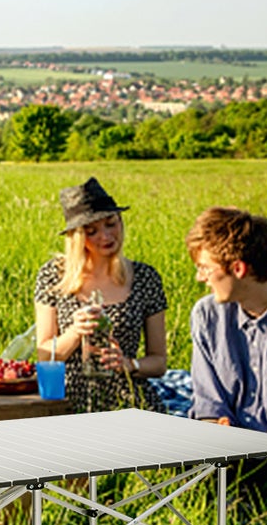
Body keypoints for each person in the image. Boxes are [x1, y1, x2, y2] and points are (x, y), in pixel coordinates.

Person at [33, 177, 167, 413]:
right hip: (69, 397)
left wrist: (128, 364)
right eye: (92, 231)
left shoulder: (145, 277)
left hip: (127, 395)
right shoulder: (53, 276)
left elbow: (158, 362)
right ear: (77, 238)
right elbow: (45, 356)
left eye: (111, 224)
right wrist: (75, 332)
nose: (106, 236)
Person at [186, 206, 267, 440]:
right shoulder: (207, 316)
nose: (200, 278)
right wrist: (215, 426)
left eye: (205, 268)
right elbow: (208, 406)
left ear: (238, 269)